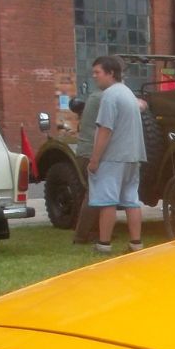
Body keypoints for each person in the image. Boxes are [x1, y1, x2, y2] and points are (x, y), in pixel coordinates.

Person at [87, 55, 146, 254]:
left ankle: (104, 244)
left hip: (113, 156)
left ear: (111, 73)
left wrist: (94, 159)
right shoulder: (128, 93)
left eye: (98, 72)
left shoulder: (110, 96)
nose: (94, 76)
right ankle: (136, 242)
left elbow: (105, 129)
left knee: (107, 201)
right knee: (131, 199)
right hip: (133, 155)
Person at [70, 90, 101, 244]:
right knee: (94, 194)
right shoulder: (100, 97)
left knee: (95, 194)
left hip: (86, 153)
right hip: (90, 153)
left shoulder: (94, 99)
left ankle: (94, 232)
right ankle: (81, 236)